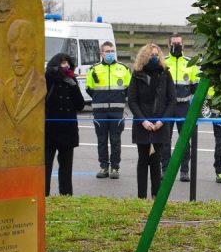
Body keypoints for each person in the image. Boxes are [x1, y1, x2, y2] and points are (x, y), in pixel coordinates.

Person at [127, 42, 173, 199]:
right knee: (143, 160)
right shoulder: (137, 74)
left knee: (156, 161)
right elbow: (132, 100)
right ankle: (141, 197)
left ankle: (156, 196)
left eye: (156, 54)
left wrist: (162, 121)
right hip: (142, 124)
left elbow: (171, 100)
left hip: (160, 125)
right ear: (144, 56)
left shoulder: (165, 73)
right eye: (151, 54)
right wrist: (143, 121)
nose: (154, 57)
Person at [86, 40, 130, 179]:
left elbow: (128, 89)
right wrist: (100, 98)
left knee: (115, 141)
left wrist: (118, 98)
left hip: (117, 110)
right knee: (102, 141)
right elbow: (89, 89)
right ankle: (104, 167)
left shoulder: (123, 68)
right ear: (101, 53)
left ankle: (115, 168)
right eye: (107, 51)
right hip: (100, 111)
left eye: (112, 51)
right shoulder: (94, 69)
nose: (110, 53)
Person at [44, 52, 86, 195]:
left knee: (66, 166)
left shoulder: (72, 80)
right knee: (46, 165)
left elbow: (80, 105)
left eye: (68, 62)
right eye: (63, 62)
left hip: (68, 129)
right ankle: (44, 194)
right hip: (50, 128)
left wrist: (73, 85)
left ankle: (66, 195)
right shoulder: (48, 78)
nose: (66, 65)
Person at [161, 34, 199, 181]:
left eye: (178, 43)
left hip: (184, 107)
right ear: (168, 45)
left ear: (183, 45)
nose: (176, 46)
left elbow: (195, 87)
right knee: (165, 140)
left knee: (184, 141)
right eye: (173, 43)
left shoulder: (190, 63)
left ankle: (184, 170)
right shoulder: (163, 62)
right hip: (167, 107)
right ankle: (165, 169)